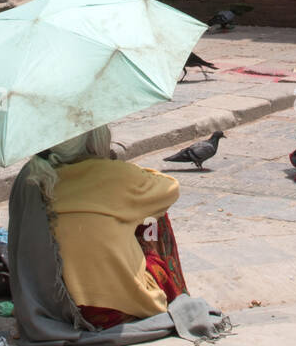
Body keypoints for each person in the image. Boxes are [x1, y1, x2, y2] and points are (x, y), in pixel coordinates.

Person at [11, 126, 189, 331]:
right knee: (154, 215)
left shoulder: (30, 178)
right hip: (114, 313)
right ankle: (175, 292)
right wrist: (127, 170)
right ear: (93, 143)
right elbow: (170, 188)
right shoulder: (115, 173)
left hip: (55, 308)